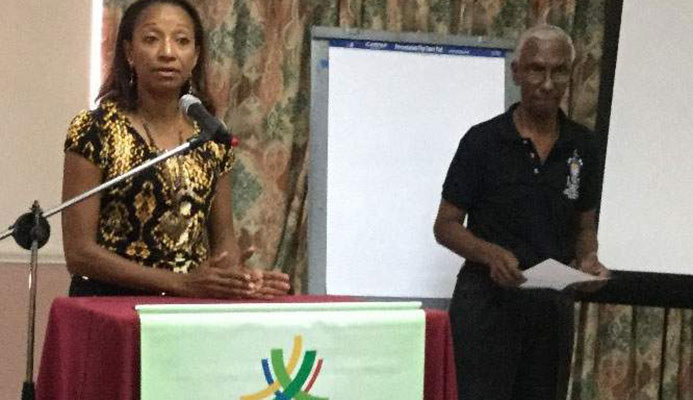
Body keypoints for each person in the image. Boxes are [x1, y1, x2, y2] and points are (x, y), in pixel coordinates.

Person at [61, 0, 290, 299]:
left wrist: (237, 281)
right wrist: (178, 282)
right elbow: (79, 253)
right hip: (107, 305)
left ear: (195, 56)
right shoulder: (94, 129)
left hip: (182, 312)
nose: (167, 53)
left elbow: (224, 244)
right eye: (152, 39)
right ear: (130, 52)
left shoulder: (210, 137)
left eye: (181, 41)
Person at [433, 24, 610, 400]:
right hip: (487, 309)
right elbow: (445, 226)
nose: (547, 83)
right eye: (536, 69)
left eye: (558, 70)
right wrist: (490, 254)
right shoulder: (482, 142)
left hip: (550, 312)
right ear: (516, 72)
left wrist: (589, 262)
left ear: (570, 74)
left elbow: (584, 227)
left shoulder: (584, 146)